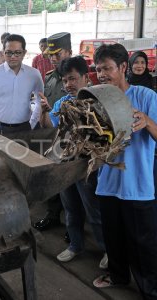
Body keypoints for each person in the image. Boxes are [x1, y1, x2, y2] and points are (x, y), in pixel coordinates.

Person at [90, 44, 157, 300]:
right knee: (113, 236)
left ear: (123, 68)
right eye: (98, 69)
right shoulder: (94, 98)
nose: (102, 74)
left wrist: (147, 121)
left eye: (107, 68)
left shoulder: (146, 96)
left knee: (143, 243)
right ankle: (118, 275)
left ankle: (150, 289)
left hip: (138, 185)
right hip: (107, 181)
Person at [39, 56, 107, 268]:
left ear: (86, 77)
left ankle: (108, 250)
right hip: (66, 163)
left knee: (94, 211)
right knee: (71, 208)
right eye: (65, 80)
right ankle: (76, 245)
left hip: (88, 165)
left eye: (72, 79)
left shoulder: (98, 100)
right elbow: (50, 125)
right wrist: (44, 109)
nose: (68, 84)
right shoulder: (63, 102)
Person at [33, 32, 73, 232]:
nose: (53, 59)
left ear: (69, 52)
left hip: (72, 139)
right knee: (52, 178)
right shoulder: (48, 78)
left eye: (58, 54)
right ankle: (53, 214)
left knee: (72, 182)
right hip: (51, 137)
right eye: (51, 55)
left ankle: (74, 226)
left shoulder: (78, 78)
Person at [0, 34, 43, 139]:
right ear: (3, 52)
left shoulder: (34, 74)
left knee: (23, 156)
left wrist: (32, 122)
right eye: (9, 53)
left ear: (24, 53)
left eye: (17, 53)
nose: (13, 56)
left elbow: (40, 101)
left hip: (24, 129)